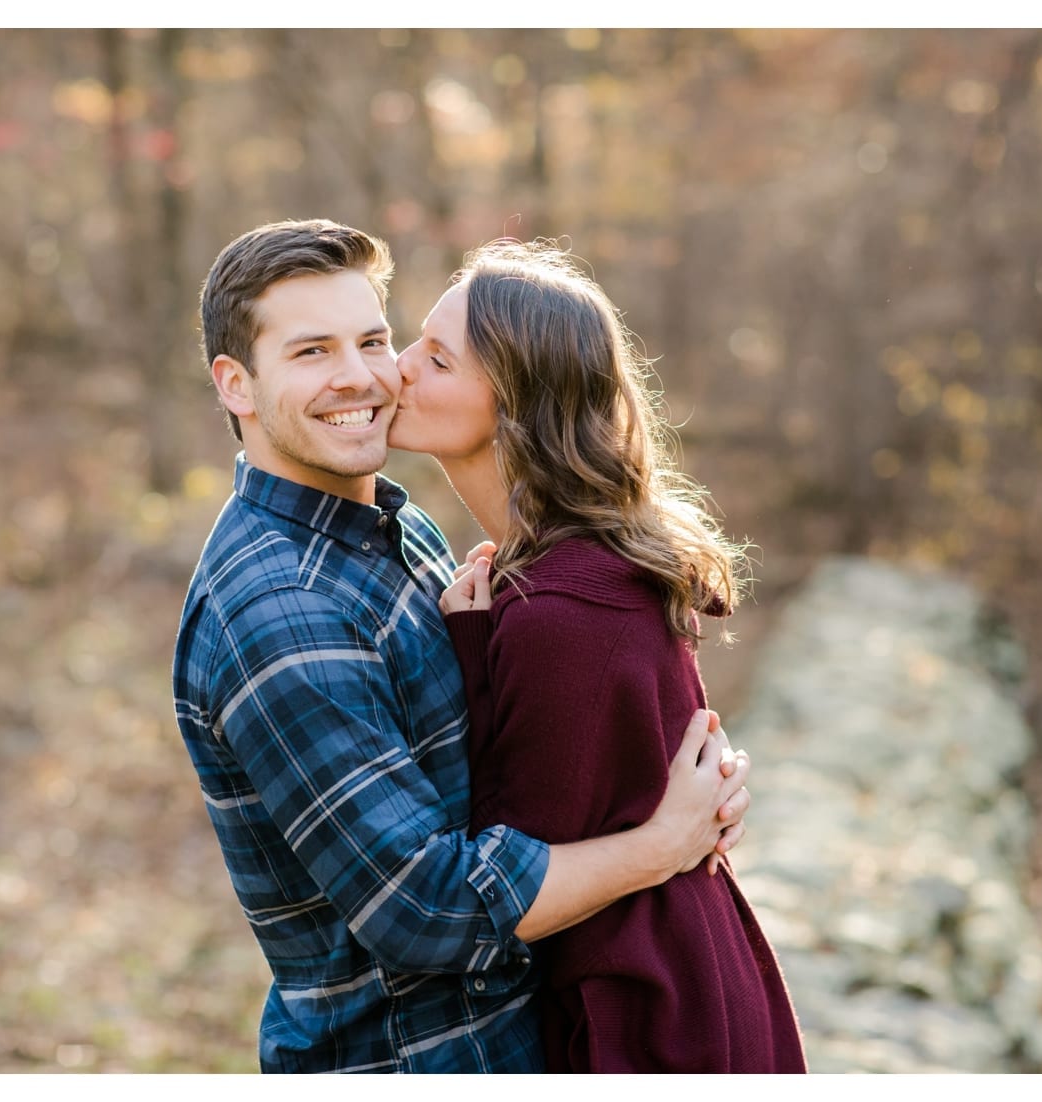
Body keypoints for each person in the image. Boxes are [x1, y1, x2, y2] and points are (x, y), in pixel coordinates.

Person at [171, 219, 755, 1073]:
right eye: (310, 353)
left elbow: (518, 758)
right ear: (237, 385)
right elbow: (423, 905)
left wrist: (662, 754)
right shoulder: (281, 611)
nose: (364, 374)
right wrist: (659, 843)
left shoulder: (390, 534)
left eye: (374, 338)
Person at [387, 239, 808, 1072]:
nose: (396, 369)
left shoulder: (567, 610)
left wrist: (476, 654)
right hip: (653, 981)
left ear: (514, 406)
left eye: (436, 359)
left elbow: (511, 870)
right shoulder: (552, 573)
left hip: (640, 1019)